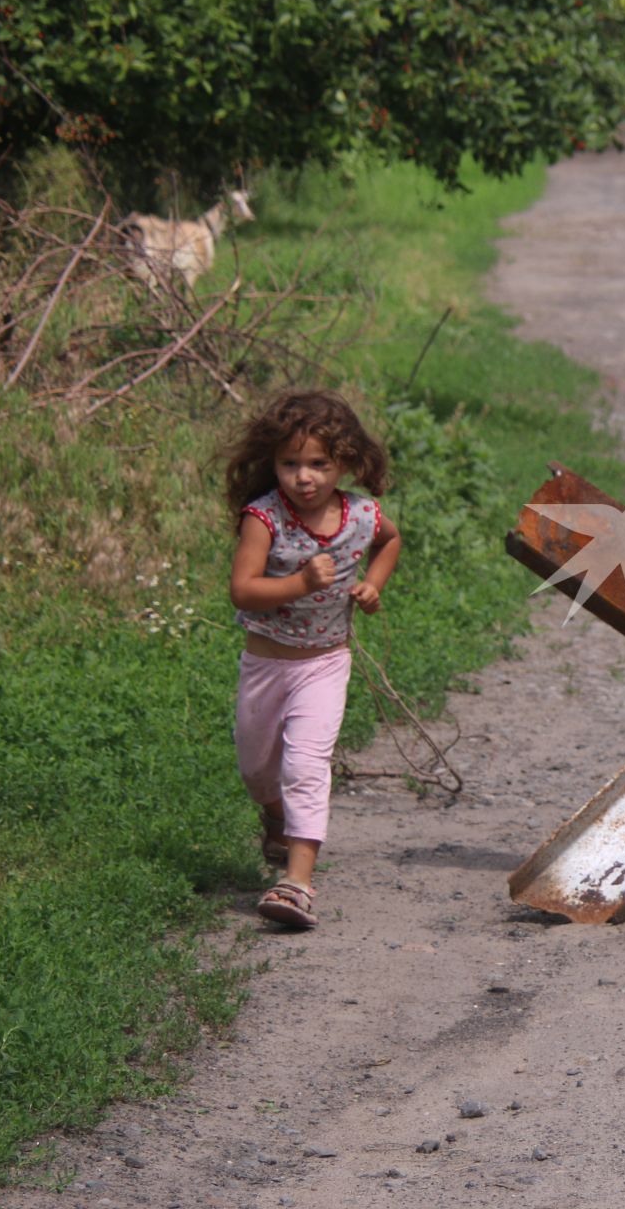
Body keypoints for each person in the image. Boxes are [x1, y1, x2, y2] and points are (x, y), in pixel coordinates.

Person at [224, 389, 401, 930]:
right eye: (290, 463)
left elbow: (390, 542)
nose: (305, 477)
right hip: (265, 663)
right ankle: (275, 818)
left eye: (319, 464)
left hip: (325, 663)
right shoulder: (266, 518)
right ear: (272, 464)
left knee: (305, 765)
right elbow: (242, 590)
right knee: (257, 768)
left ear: (344, 462)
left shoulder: (363, 514)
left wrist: (372, 585)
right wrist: (299, 582)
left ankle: (297, 883)